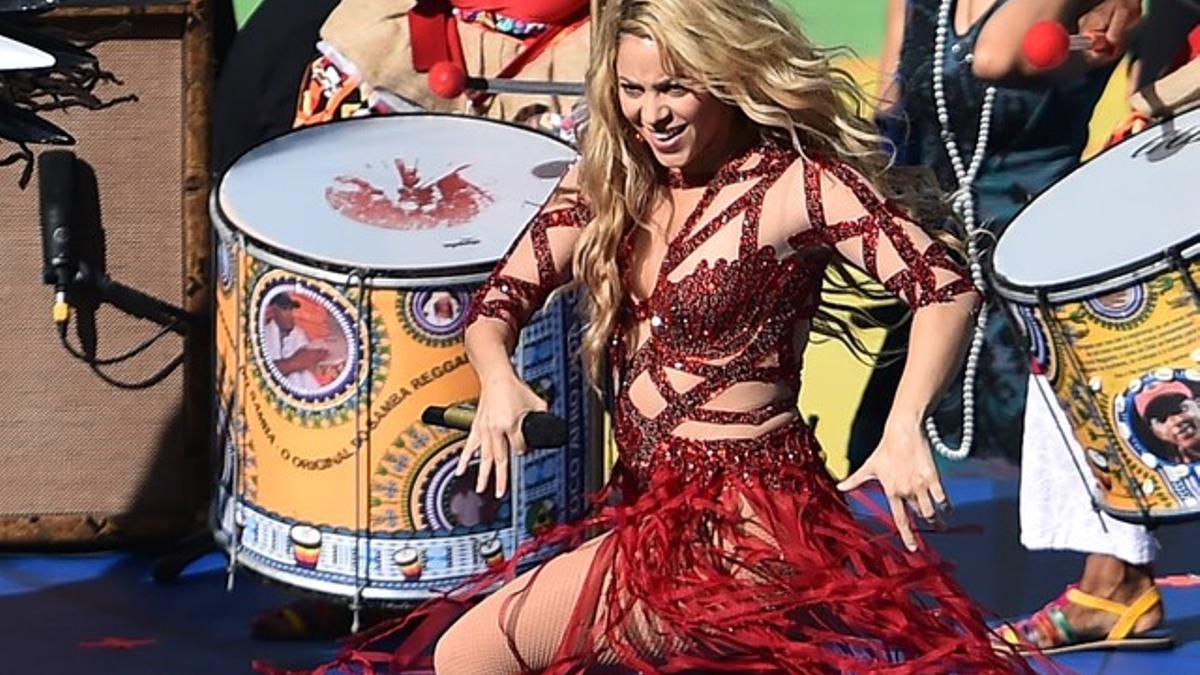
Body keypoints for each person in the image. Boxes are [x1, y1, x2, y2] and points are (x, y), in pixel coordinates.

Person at [326, 0, 1038, 671]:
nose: (651, 113)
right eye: (632, 90)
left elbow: (944, 285)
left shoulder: (798, 186)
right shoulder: (610, 182)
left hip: (752, 526)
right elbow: (497, 303)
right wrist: (498, 377)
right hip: (647, 507)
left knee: (472, 655)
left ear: (726, 77)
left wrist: (904, 423)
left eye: (674, 88)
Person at [870, 0, 1170, 655]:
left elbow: (997, 54)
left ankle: (1111, 583)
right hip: (939, 257)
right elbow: (888, 102)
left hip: (1038, 246)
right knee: (877, 440)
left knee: (1077, 428)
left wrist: (1126, 40)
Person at [261, 293, 327, 392]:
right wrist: (294, 363)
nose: (290, 314)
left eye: (291, 309)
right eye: (285, 309)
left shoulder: (298, 334)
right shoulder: (262, 334)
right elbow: (260, 371)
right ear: (272, 311)